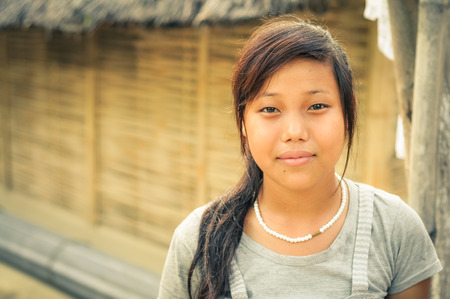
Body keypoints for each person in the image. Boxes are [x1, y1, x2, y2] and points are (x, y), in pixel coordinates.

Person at [158, 16, 442, 299]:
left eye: (317, 105)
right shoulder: (197, 241)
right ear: (243, 122)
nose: (295, 132)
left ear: (348, 112)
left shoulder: (396, 230)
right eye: (270, 109)